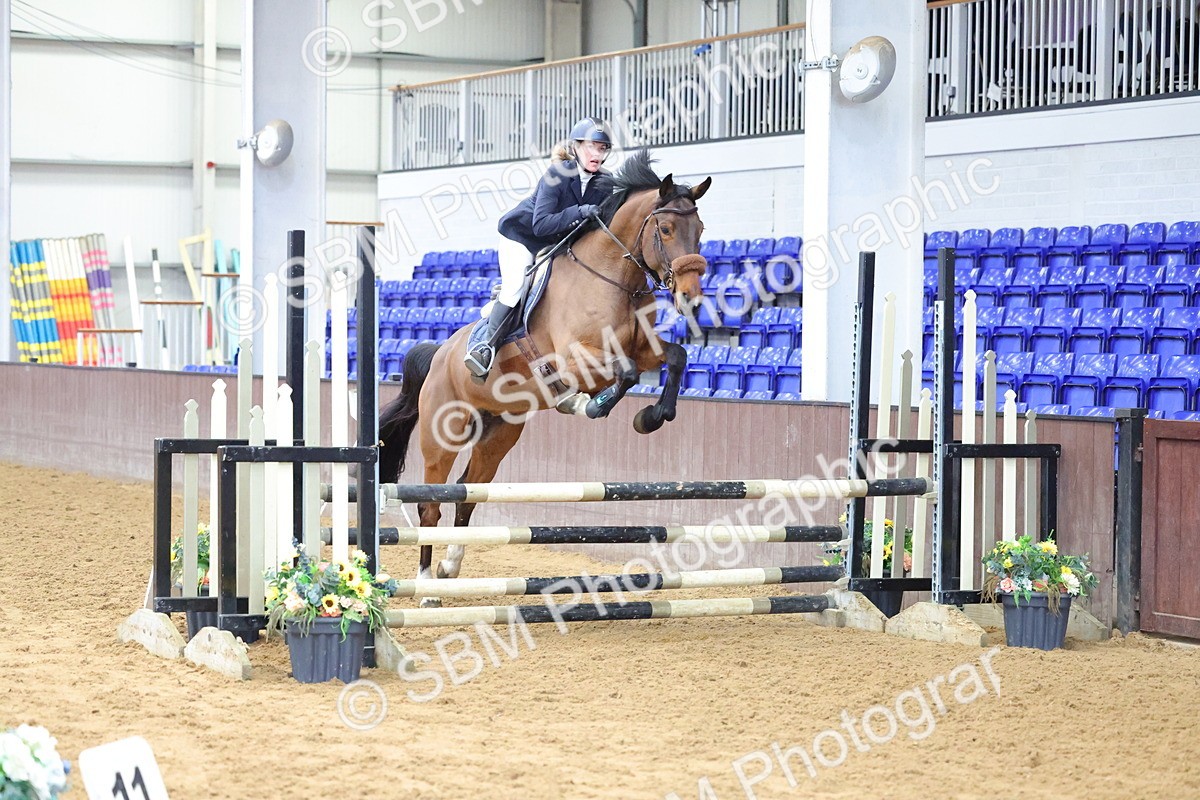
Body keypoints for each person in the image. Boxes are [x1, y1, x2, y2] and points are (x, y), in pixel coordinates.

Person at [464, 116, 617, 379]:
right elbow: (541, 225)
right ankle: (485, 347)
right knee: (514, 290)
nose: (597, 154)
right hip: (523, 238)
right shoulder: (557, 175)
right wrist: (579, 211)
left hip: (557, 244)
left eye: (602, 148)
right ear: (576, 147)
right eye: (591, 146)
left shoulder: (606, 181)